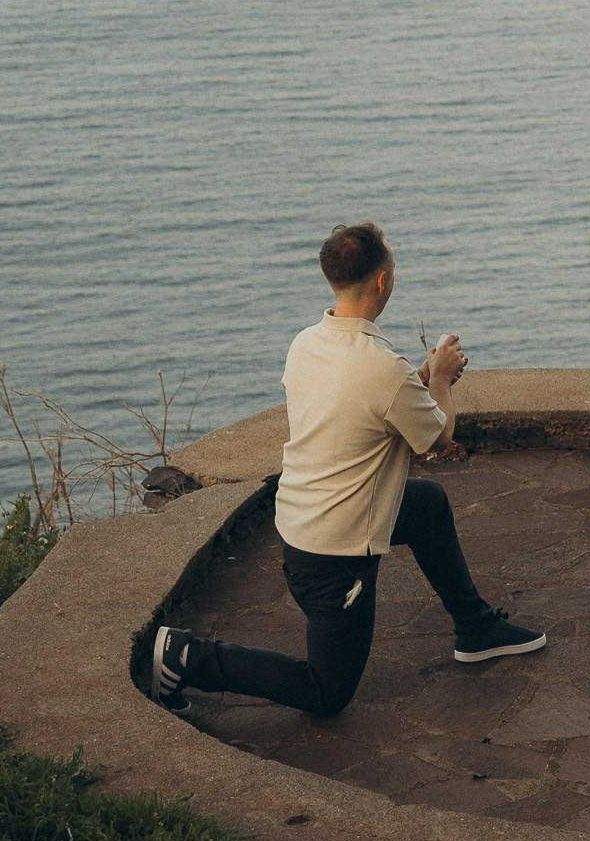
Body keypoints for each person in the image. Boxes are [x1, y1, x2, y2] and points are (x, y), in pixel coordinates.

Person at [147, 222, 544, 717]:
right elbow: (440, 436)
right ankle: (188, 656)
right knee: (327, 692)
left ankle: (476, 627)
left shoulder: (307, 344)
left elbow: (362, 407)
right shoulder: (381, 366)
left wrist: (420, 379)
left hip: (303, 524)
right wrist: (441, 376)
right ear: (381, 281)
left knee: (427, 506)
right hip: (333, 561)